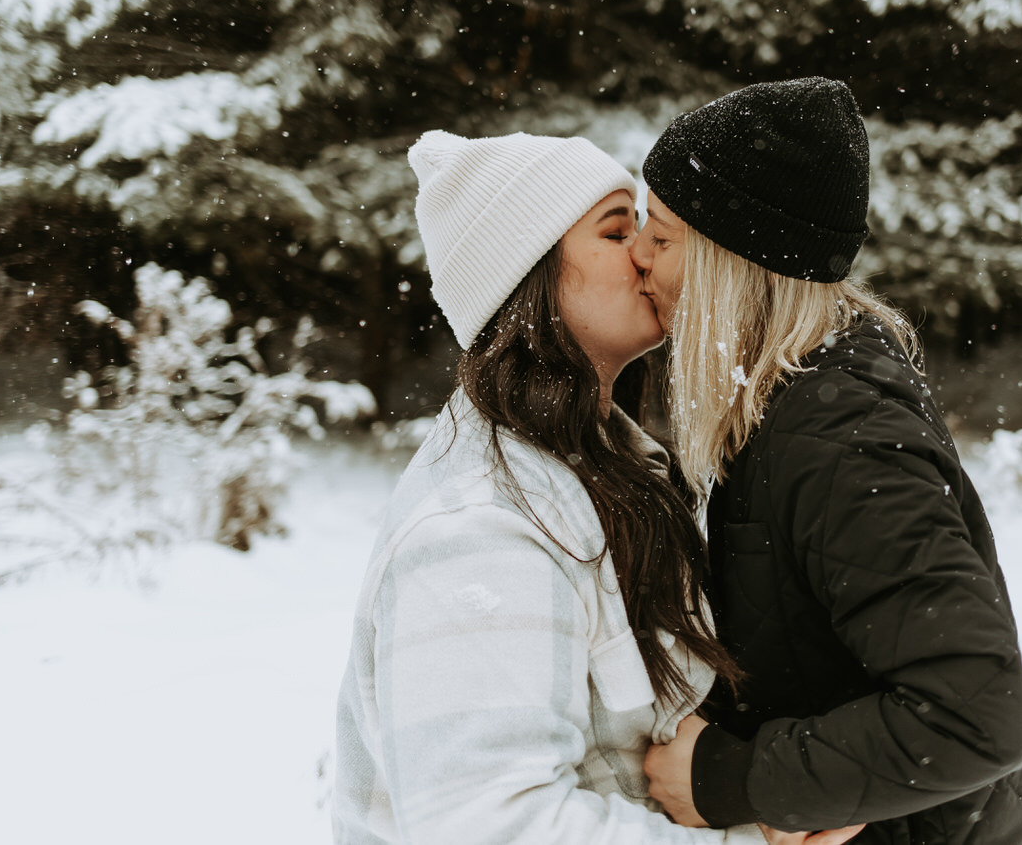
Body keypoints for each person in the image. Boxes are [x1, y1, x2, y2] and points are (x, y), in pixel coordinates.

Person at [332, 129, 863, 845]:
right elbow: (492, 824)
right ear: (528, 277)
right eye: (617, 230)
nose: (647, 250)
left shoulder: (610, 470)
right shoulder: (478, 526)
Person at [635, 78, 1022, 845]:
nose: (638, 257)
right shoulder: (786, 403)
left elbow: (974, 714)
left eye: (661, 238)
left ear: (733, 265)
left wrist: (729, 779)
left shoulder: (839, 434)